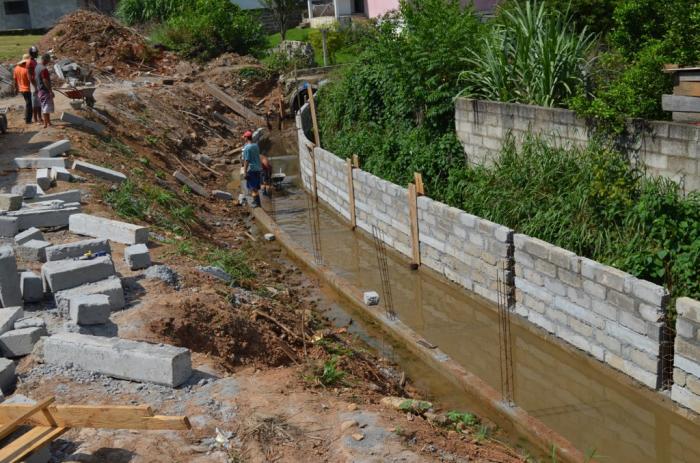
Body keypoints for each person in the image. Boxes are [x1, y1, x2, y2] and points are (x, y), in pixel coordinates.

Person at [242, 130, 262, 208]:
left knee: (252, 188)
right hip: (258, 168)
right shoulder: (256, 146)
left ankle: (256, 204)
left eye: (244, 137)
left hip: (251, 170)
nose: (244, 138)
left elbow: (246, 160)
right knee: (256, 187)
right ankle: (258, 203)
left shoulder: (247, 148)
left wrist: (245, 172)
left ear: (247, 138)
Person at [35, 53, 55, 129]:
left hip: (40, 89)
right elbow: (45, 80)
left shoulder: (37, 67)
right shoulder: (44, 69)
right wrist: (50, 91)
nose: (49, 62)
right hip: (44, 90)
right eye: (49, 60)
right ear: (46, 60)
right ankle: (46, 123)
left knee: (46, 106)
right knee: (46, 107)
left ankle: (48, 122)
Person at [12, 54, 32, 124]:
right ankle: (28, 119)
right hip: (27, 88)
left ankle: (26, 117)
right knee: (29, 104)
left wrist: (16, 88)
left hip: (21, 89)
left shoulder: (16, 68)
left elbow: (15, 80)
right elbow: (30, 80)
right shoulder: (26, 69)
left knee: (27, 103)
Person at [27, 46, 40, 124]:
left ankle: (39, 117)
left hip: (36, 83)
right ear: (33, 53)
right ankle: (35, 118)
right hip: (34, 84)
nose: (37, 53)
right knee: (35, 102)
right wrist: (35, 86)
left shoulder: (34, 61)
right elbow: (29, 76)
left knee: (38, 102)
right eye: (36, 52)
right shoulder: (30, 63)